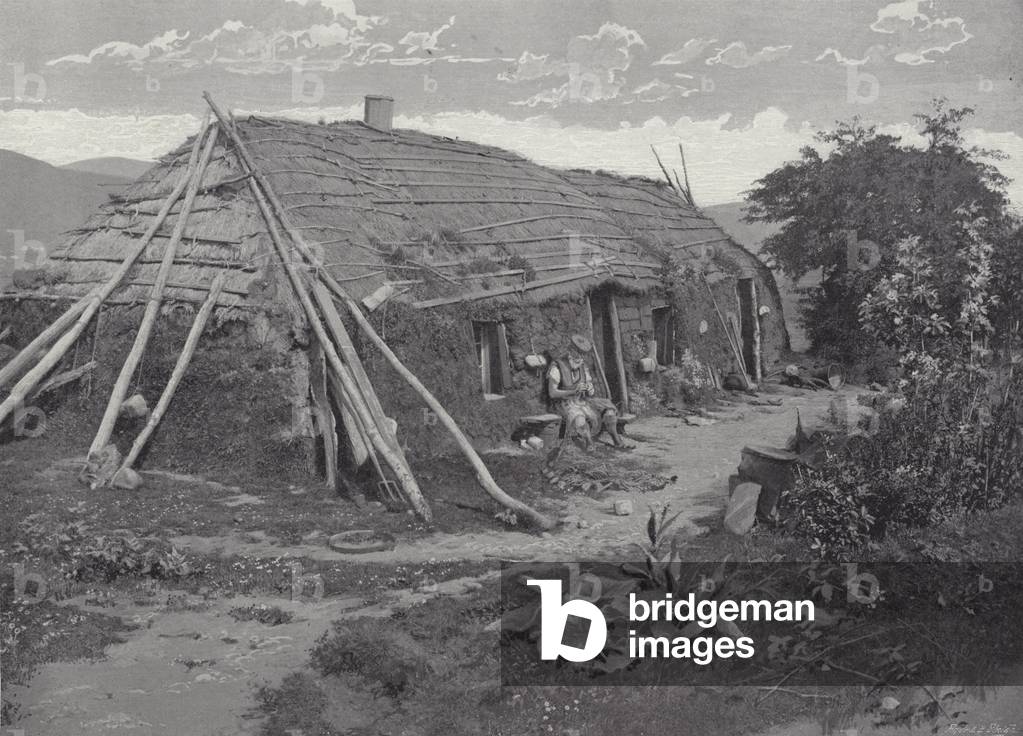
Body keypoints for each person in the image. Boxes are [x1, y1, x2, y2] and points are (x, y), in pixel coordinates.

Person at [546, 334, 628, 450]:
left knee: (608, 409)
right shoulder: (557, 366)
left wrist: (590, 389)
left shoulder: (582, 366)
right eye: (577, 353)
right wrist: (573, 391)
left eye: (582, 354)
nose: (580, 357)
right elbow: (552, 393)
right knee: (578, 416)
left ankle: (616, 440)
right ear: (570, 350)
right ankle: (589, 443)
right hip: (563, 403)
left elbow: (591, 392)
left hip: (582, 401)